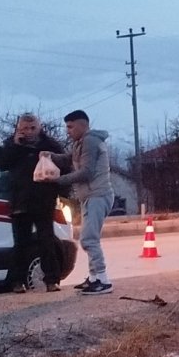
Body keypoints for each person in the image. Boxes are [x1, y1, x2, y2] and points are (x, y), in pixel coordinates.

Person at [42, 109, 115, 295]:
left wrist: (57, 180)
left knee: (89, 239)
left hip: (97, 196)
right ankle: (94, 278)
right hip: (91, 197)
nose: (68, 131)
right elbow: (69, 159)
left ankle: (103, 279)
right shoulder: (80, 143)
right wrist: (50, 156)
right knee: (90, 238)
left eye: (70, 126)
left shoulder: (90, 141)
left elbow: (86, 172)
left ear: (83, 125)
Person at [0, 113, 66, 293]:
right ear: (18, 129)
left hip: (43, 200)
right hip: (20, 201)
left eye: (33, 128)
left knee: (46, 241)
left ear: (39, 127)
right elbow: (1, 164)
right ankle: (17, 281)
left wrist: (60, 193)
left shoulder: (50, 145)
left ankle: (52, 280)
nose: (29, 132)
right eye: (25, 128)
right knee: (21, 243)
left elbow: (65, 167)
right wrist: (16, 145)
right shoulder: (11, 145)